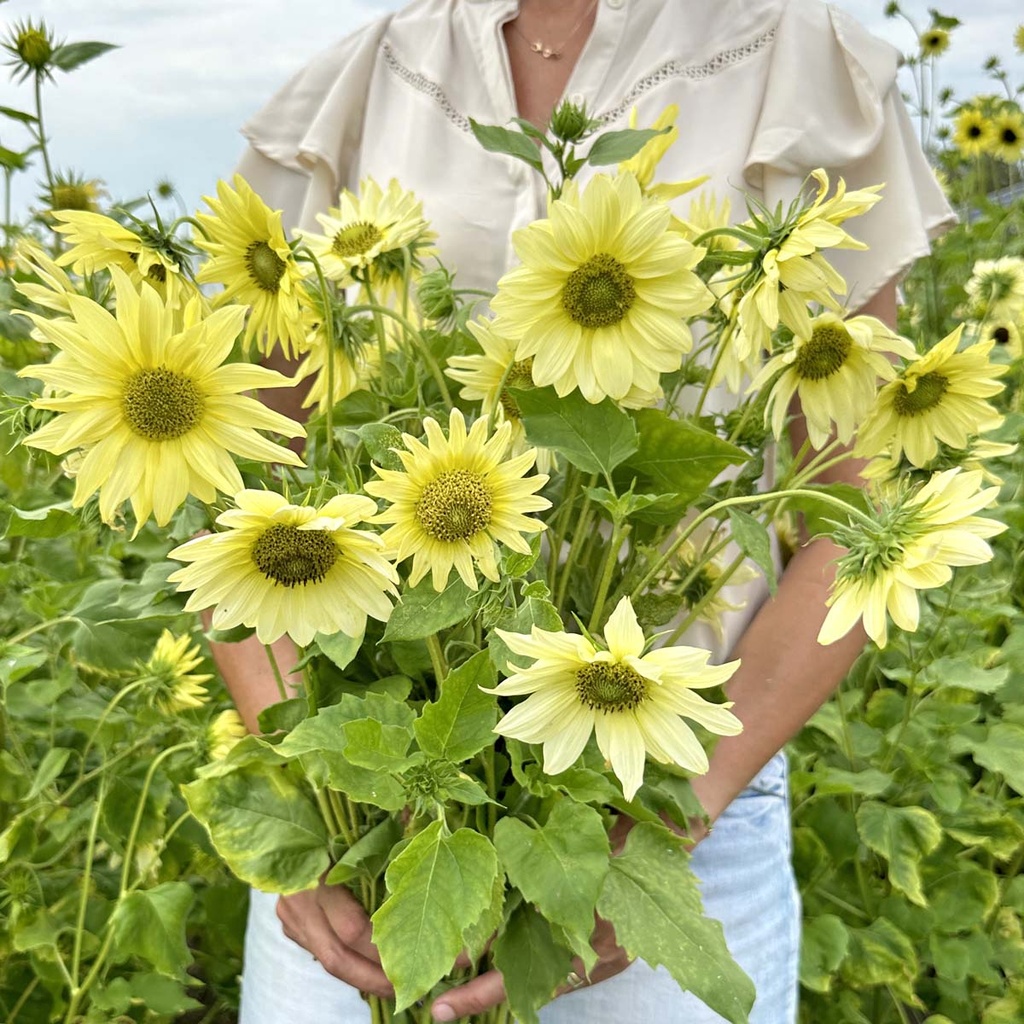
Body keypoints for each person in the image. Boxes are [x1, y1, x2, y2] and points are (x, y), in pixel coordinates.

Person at [211, 1, 955, 1021]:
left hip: (676, 794)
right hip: (363, 827)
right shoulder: (369, 79)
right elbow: (252, 485)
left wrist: (671, 818)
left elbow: (855, 514)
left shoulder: (793, 62)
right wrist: (310, 800)